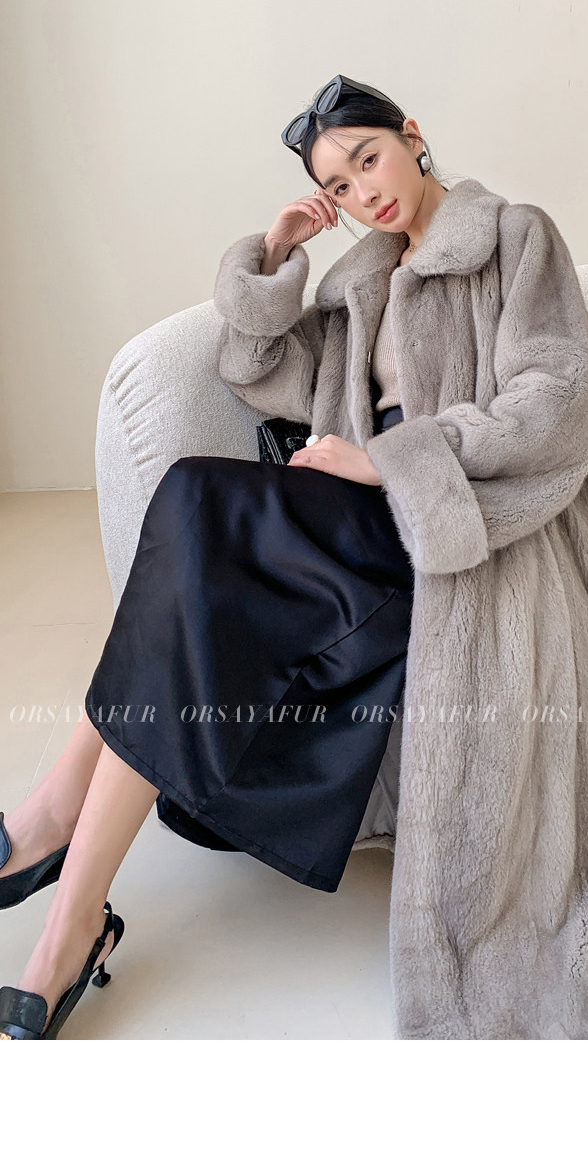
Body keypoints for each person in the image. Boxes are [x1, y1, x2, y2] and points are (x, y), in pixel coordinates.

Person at [0, 74, 457, 1039]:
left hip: (427, 529)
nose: (363, 192)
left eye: (368, 158)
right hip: (345, 519)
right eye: (339, 186)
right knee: (192, 511)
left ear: (412, 135)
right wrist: (276, 252)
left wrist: (383, 462)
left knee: (198, 503)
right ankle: (68, 897)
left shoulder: (506, 243)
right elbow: (253, 367)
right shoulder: (361, 282)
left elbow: (544, 413)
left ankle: (54, 847)